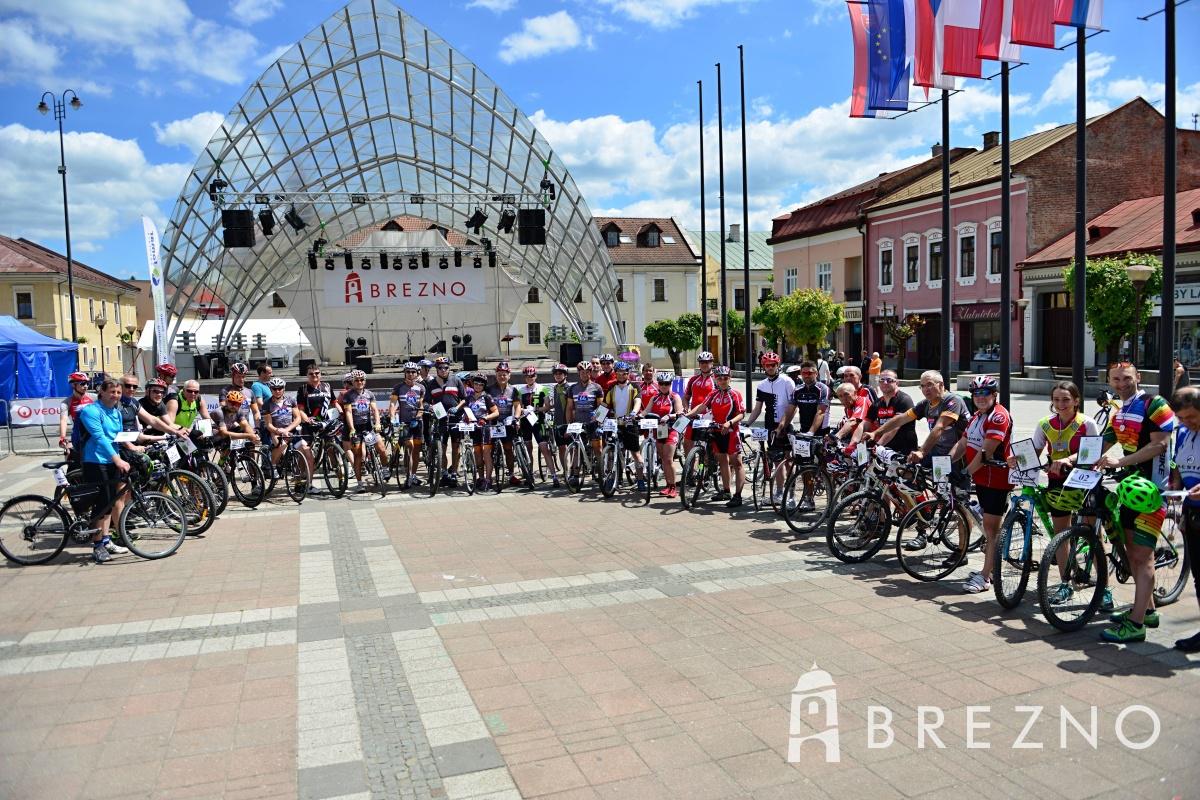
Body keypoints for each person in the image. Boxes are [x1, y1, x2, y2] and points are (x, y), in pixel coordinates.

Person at [1094, 362, 1176, 643]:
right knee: (1132, 552)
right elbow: (1100, 443)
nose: (1121, 383)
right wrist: (1070, 461)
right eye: (1115, 379)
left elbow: (1159, 445)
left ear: (1138, 377)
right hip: (1130, 488)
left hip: (1152, 490)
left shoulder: (1156, 404)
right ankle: (1148, 610)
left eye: (1126, 378)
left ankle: (1137, 624)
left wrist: (1121, 460)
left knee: (1142, 557)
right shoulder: (1119, 410)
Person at [1014, 381, 1101, 607]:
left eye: (1066, 399)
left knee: (1093, 535)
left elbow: (1092, 453)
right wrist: (1017, 459)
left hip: (1085, 481)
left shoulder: (1087, 423)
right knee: (1060, 535)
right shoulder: (1045, 424)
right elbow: (1034, 451)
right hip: (1057, 483)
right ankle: (1065, 583)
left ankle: (1105, 587)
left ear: (1076, 401)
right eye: (1056, 400)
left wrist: (1068, 460)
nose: (1061, 404)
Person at [952, 375, 1013, 594]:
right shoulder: (977, 415)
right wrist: (946, 463)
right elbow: (963, 442)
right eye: (976, 394)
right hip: (981, 478)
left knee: (991, 530)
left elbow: (986, 452)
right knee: (987, 526)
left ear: (994, 395)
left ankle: (986, 577)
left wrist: (965, 472)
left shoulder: (998, 417)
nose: (980, 397)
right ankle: (990, 568)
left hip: (996, 479)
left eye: (985, 393)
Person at [76, 379, 133, 563]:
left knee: (109, 502)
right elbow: (100, 437)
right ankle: (97, 546)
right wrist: (117, 459)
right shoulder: (90, 411)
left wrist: (133, 446)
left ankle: (106, 540)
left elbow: (117, 436)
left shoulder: (115, 412)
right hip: (95, 461)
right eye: (112, 392)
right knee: (101, 505)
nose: (115, 395)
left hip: (112, 462)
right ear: (101, 391)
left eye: (118, 392)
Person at [867, 370, 968, 468]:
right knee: (908, 472)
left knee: (949, 482)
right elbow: (901, 419)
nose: (925, 389)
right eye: (922, 386)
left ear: (941, 385)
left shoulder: (952, 400)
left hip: (958, 452)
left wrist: (922, 451)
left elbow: (940, 427)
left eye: (929, 384)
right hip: (937, 450)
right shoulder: (925, 403)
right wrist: (876, 433)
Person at [1169, 386, 1200, 652]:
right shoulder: (1181, 433)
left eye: (1192, 417)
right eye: (1182, 418)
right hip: (1192, 513)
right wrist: (1176, 482)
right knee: (1199, 575)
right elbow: (1178, 465)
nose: (1187, 423)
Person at [688, 365, 746, 508]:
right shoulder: (713, 394)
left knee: (737, 463)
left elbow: (741, 413)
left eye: (725, 378)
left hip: (731, 432)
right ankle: (726, 491)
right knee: (722, 461)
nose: (722, 380)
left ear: (729, 379)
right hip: (716, 431)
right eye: (719, 378)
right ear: (715, 379)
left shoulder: (735, 394)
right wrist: (687, 415)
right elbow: (702, 406)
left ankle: (738, 496)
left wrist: (730, 423)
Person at [744, 352, 795, 502]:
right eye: (767, 365)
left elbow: (793, 406)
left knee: (788, 460)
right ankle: (779, 493)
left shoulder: (787, 381)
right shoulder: (762, 385)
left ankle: (791, 495)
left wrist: (784, 424)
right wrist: (748, 423)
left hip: (786, 425)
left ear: (777, 365)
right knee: (776, 461)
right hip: (770, 426)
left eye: (773, 365)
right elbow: (758, 408)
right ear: (764, 367)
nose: (770, 367)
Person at [640, 371, 685, 498]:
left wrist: (669, 416)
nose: (664, 386)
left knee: (668, 459)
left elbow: (679, 412)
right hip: (659, 430)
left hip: (671, 430)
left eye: (667, 383)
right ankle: (667, 485)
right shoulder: (654, 397)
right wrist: (638, 416)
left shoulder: (674, 397)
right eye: (661, 383)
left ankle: (673, 487)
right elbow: (646, 410)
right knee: (663, 460)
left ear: (670, 384)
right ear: (658, 384)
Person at [601, 361, 644, 491]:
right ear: (615, 374)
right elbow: (604, 405)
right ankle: (615, 479)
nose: (621, 375)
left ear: (628, 374)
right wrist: (596, 418)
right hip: (616, 425)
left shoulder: (634, 387)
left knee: (635, 454)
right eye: (618, 373)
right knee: (613, 452)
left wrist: (633, 413)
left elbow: (637, 401)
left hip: (630, 424)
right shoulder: (611, 387)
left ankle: (641, 479)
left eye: (624, 373)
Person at [341, 369, 388, 491]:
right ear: (352, 381)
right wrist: (351, 429)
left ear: (365, 381)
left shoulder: (369, 394)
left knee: (382, 448)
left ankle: (384, 469)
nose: (359, 382)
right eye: (356, 380)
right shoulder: (348, 395)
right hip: (355, 428)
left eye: (362, 380)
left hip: (368, 426)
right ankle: (360, 483)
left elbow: (375, 410)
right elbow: (348, 413)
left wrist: (377, 423)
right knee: (358, 455)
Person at [425, 356, 467, 486]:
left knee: (455, 446)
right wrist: (430, 406)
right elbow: (426, 401)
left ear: (449, 368)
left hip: (455, 417)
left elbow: (464, 399)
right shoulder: (431, 384)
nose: (443, 370)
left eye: (446, 367)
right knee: (441, 448)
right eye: (440, 368)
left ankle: (454, 473)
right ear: (436, 369)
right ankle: (443, 472)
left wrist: (457, 407)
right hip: (440, 417)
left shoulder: (456, 380)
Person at [263, 376, 312, 478]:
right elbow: (268, 424)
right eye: (274, 389)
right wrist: (279, 430)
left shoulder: (291, 400)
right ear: (271, 389)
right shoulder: (267, 404)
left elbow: (298, 418)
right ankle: (273, 465)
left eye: (280, 388)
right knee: (282, 445)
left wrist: (287, 430)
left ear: (284, 389)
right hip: (276, 430)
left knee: (304, 448)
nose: (277, 391)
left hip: (290, 430)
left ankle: (298, 474)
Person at [518, 364, 558, 487]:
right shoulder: (521, 390)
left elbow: (547, 407)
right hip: (526, 422)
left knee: (544, 449)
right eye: (527, 376)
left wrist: (535, 409)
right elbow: (519, 407)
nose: (530, 378)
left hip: (538, 421)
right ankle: (529, 475)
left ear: (535, 376)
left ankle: (554, 476)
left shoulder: (542, 389)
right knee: (528, 449)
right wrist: (523, 411)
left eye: (532, 376)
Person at [389, 363, 426, 488]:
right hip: (404, 422)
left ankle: (413, 475)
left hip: (417, 422)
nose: (411, 374)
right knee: (409, 446)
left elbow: (421, 405)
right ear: (404, 373)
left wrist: (418, 416)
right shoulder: (398, 387)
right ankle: (408, 475)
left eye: (413, 372)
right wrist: (393, 417)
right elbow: (393, 404)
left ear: (417, 373)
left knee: (416, 450)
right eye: (408, 372)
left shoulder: (421, 387)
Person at [867, 370, 918, 456]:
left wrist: (878, 446)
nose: (885, 382)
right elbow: (865, 423)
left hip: (903, 451)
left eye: (889, 380)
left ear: (897, 382)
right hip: (885, 450)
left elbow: (895, 426)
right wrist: (854, 443)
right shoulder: (877, 402)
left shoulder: (904, 399)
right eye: (882, 380)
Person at [489, 362, 523, 486]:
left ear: (509, 376)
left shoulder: (513, 390)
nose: (502, 377)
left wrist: (517, 418)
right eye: (499, 375)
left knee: (508, 449)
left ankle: (511, 474)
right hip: (493, 423)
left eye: (504, 375)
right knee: (491, 450)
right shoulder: (490, 389)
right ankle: (493, 475)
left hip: (507, 422)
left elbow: (517, 406)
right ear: (496, 376)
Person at [464, 373, 499, 490]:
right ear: (473, 384)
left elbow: (496, 412)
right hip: (474, 430)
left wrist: (485, 418)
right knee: (477, 455)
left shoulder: (487, 397)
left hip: (486, 429)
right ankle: (481, 478)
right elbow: (466, 412)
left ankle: (488, 479)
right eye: (476, 383)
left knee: (486, 453)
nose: (478, 386)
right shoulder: (469, 398)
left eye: (481, 384)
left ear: (484, 386)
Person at [567, 361, 605, 468]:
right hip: (578, 423)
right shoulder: (572, 388)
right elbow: (569, 408)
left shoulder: (597, 387)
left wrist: (599, 422)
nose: (585, 374)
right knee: (576, 449)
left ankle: (601, 471)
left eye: (587, 372)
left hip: (592, 422)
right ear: (579, 373)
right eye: (582, 372)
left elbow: (601, 407)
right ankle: (575, 474)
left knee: (598, 448)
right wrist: (568, 425)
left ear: (590, 373)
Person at [59, 371, 94, 461]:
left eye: (87, 383)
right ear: (73, 385)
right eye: (82, 384)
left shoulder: (94, 398)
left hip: (94, 432)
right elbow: (63, 420)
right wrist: (62, 437)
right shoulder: (66, 402)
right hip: (79, 434)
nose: (86, 386)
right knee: (68, 453)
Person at [548, 363, 573, 487]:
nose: (558, 375)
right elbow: (554, 404)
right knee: (561, 448)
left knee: (572, 448)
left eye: (560, 373)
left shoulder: (570, 388)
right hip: (557, 422)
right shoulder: (554, 388)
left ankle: (574, 470)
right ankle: (566, 471)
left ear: (565, 375)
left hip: (568, 422)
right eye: (556, 374)